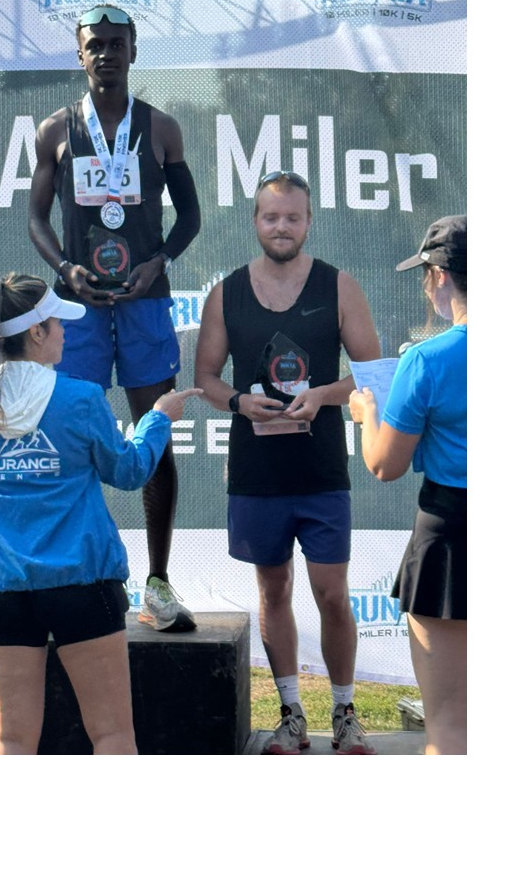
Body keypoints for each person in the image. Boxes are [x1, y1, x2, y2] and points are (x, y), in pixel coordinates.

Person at [0, 274, 202, 755]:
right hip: (80, 581)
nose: (64, 331)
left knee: (11, 738)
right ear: (35, 333)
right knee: (112, 734)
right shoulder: (80, 397)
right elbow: (130, 470)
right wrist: (157, 419)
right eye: (56, 322)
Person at [194, 171, 382, 755]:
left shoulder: (338, 286)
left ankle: (345, 712)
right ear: (255, 221)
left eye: (292, 218)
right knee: (272, 591)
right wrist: (237, 401)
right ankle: (291, 714)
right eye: (271, 217)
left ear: (308, 222)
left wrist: (323, 394)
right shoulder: (226, 292)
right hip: (257, 474)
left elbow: (372, 374)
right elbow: (205, 377)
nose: (282, 227)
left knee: (332, 593)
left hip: (321, 471)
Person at [29, 3, 201, 632]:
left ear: (133, 50)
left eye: (115, 43)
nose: (105, 53)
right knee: (71, 438)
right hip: (77, 307)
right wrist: (66, 269)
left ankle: (157, 583)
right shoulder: (55, 130)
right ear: (80, 54)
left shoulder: (161, 128)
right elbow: (36, 218)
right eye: (94, 44)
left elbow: (190, 217)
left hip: (144, 303)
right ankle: (81, 575)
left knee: (154, 436)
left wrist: (159, 263)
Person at [349, 216, 467, 755]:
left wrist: (366, 414)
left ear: (439, 277)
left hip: (451, 537)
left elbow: (384, 464)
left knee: (450, 725)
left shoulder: (427, 359)